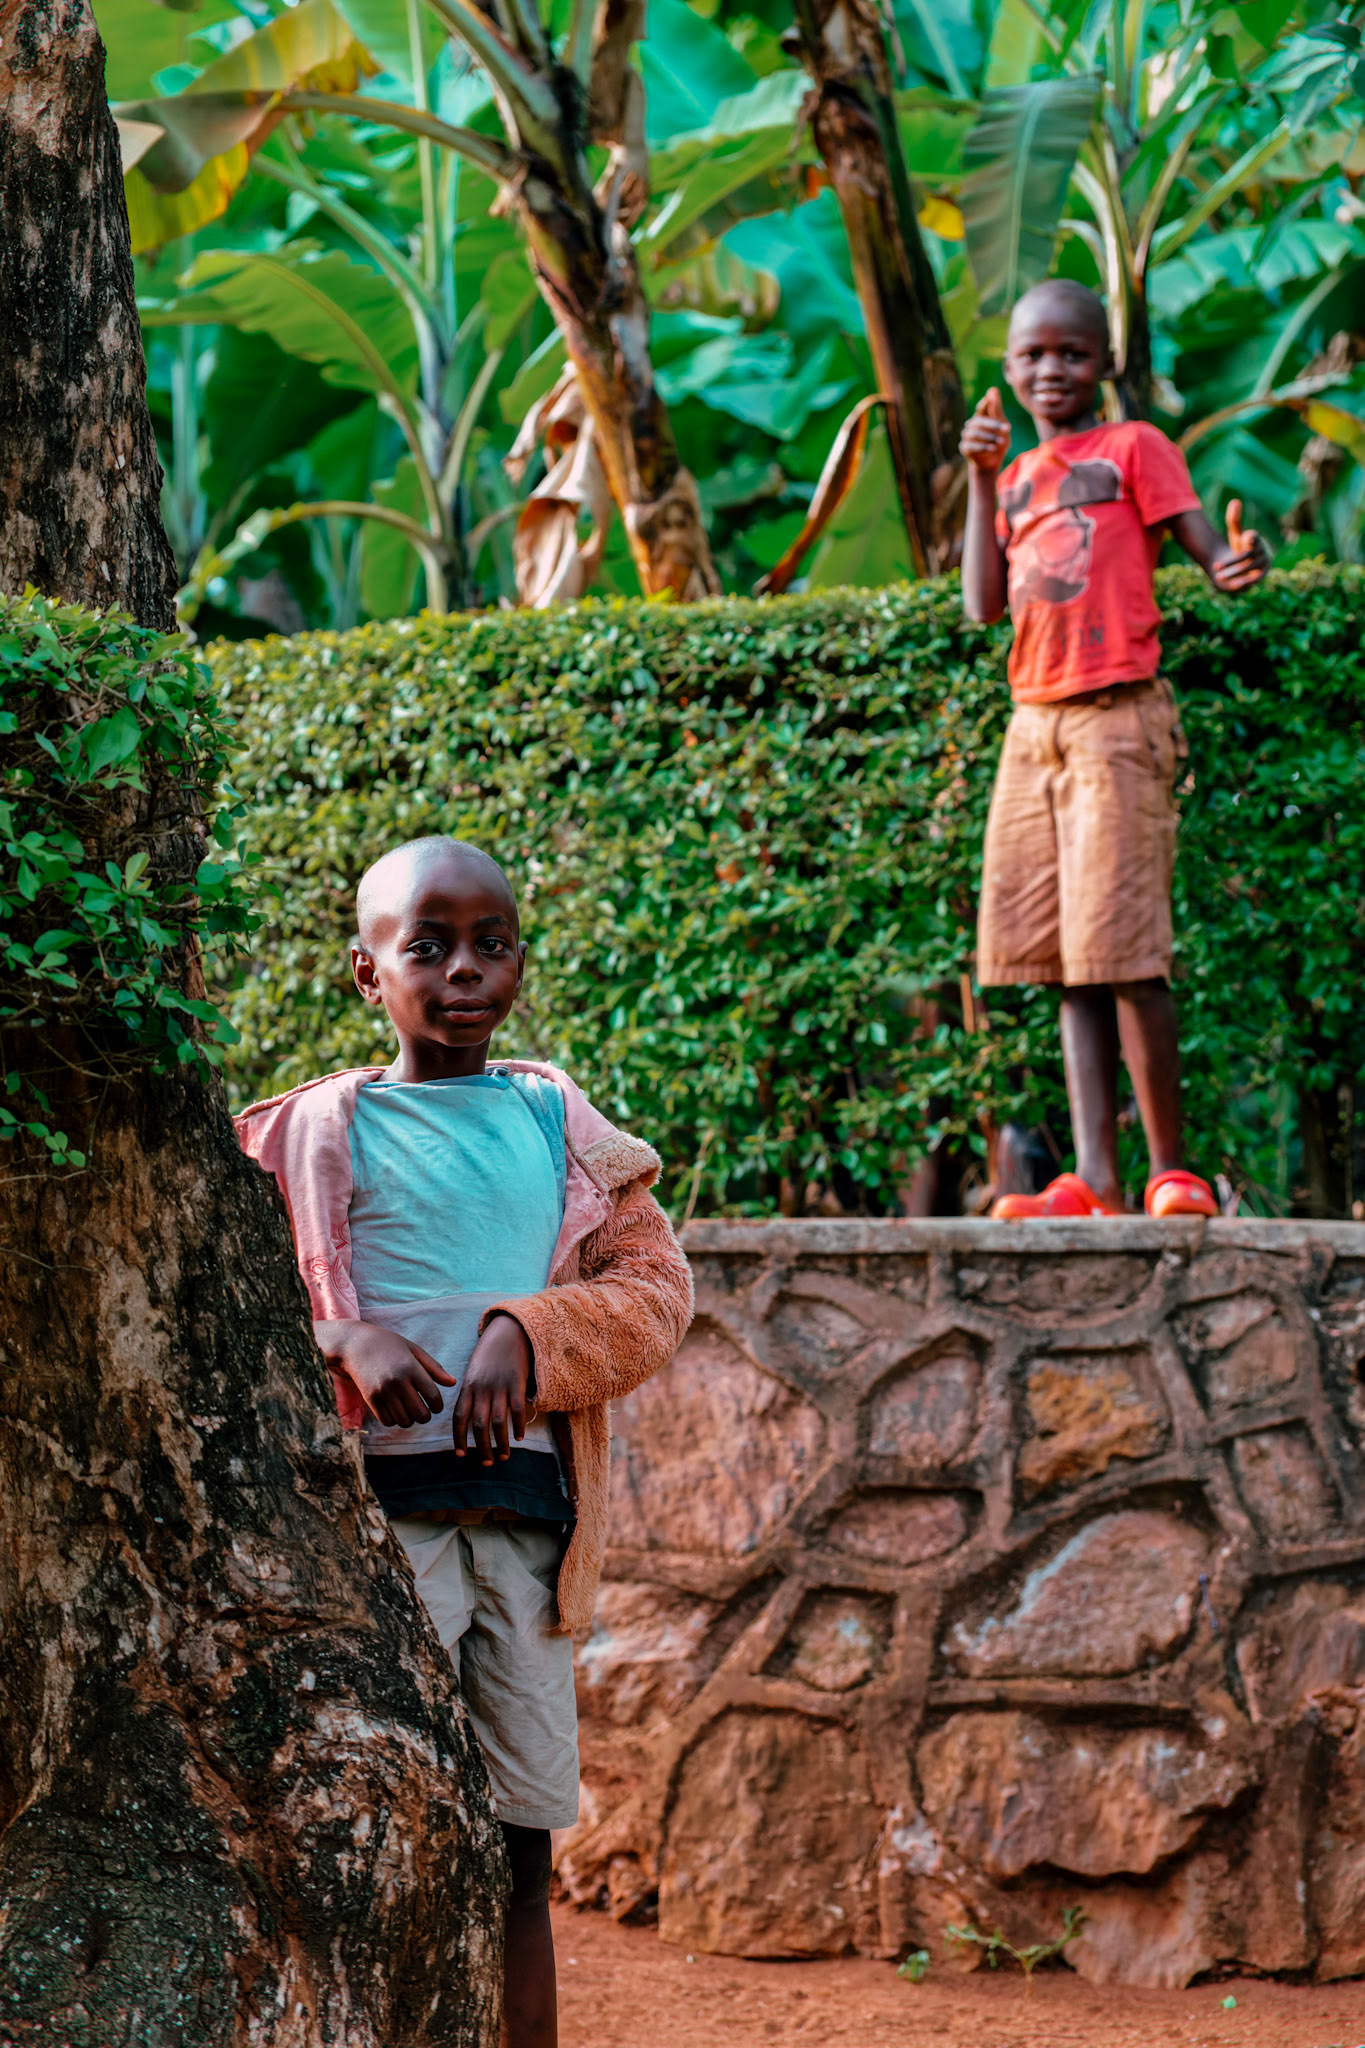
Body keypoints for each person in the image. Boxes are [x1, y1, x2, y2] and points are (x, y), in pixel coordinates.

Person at [234, 836, 693, 2048]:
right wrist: (342, 1335)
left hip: (529, 1547)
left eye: (492, 943)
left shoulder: (558, 1121)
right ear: (362, 972)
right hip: (377, 1538)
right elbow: (225, 1298)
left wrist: (526, 1332)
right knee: (365, 1829)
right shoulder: (312, 1132)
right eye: (425, 946)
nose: (464, 970)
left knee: (518, 1859)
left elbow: (655, 1290)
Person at [959, 277, 1269, 1220]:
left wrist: (1232, 565)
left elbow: (1208, 550)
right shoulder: (1011, 478)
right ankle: (1090, 1179)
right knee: (1061, 960)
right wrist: (977, 477)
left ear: (1106, 364)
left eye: (1071, 354)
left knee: (1125, 951)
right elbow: (980, 605)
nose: (1050, 371)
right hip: (1032, 726)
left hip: (1115, 717)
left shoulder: (1136, 448)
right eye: (1031, 357)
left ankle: (1170, 1170)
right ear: (1009, 370)